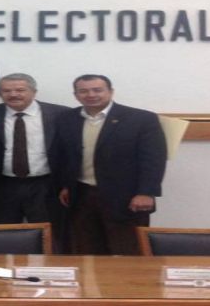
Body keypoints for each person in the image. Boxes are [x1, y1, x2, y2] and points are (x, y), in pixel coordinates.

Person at [56, 74, 167, 255]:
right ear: (76, 95)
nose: (91, 95)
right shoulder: (67, 118)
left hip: (126, 198)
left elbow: (153, 159)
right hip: (82, 195)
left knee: (128, 250)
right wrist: (66, 185)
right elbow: (64, 155)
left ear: (111, 92)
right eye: (83, 91)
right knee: (86, 250)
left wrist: (146, 192)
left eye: (97, 90)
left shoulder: (141, 119)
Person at [0, 73, 69, 241]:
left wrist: (67, 184)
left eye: (20, 90)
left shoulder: (60, 114)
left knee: (49, 237)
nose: (13, 94)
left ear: (34, 92)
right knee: (2, 237)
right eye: (6, 91)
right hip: (2, 186)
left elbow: (70, 151)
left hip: (45, 186)